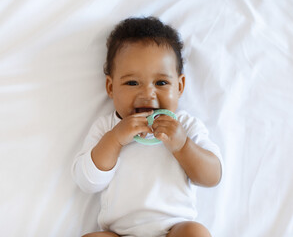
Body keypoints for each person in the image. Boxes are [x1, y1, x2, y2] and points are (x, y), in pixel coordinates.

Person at [72, 16, 222, 237]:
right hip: (119, 233)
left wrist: (182, 146)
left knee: (196, 232)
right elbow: (87, 182)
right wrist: (115, 139)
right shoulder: (107, 128)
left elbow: (212, 176)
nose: (147, 94)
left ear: (179, 86)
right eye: (132, 83)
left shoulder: (185, 126)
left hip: (174, 229)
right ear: (111, 87)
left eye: (161, 83)